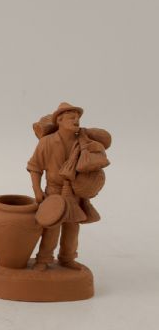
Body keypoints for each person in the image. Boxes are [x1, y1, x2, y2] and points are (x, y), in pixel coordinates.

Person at [27, 102, 101, 271]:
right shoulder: (47, 142)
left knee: (72, 229)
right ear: (59, 120)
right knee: (52, 227)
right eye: (71, 117)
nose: (76, 121)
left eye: (77, 118)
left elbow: (93, 165)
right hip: (54, 191)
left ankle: (67, 258)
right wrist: (37, 190)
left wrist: (90, 186)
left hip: (75, 192)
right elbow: (35, 167)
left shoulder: (83, 143)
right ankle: (44, 259)